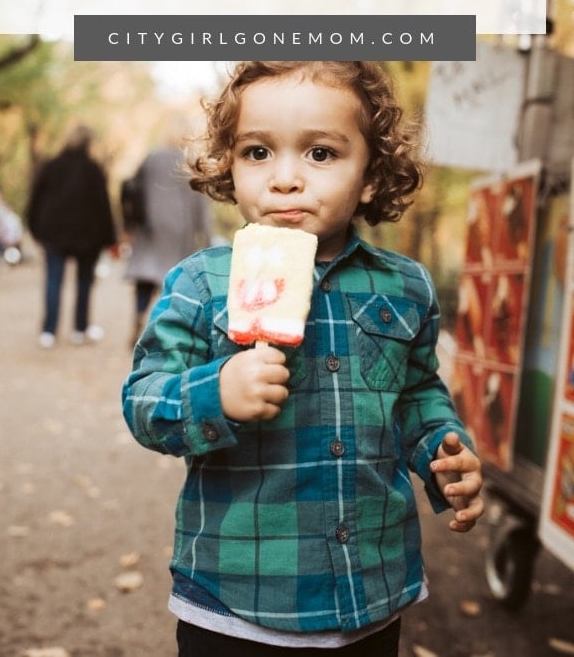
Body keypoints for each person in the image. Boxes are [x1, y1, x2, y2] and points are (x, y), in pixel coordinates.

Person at [122, 62, 484, 657]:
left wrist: (442, 449)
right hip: (236, 603)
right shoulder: (201, 282)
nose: (285, 178)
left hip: (371, 592)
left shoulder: (405, 287)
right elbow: (142, 401)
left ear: (370, 175)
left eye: (320, 154)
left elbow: (417, 392)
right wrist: (218, 390)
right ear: (228, 168)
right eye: (258, 152)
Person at [26, 124, 117, 349]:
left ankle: (48, 331)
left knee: (53, 280)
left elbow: (34, 201)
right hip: (87, 237)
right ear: (89, 143)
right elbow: (103, 206)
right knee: (84, 282)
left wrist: (35, 229)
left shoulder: (51, 166)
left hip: (53, 234)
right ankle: (79, 329)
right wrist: (109, 237)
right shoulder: (93, 169)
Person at [123, 128, 212, 346]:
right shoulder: (191, 163)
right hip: (180, 229)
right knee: (172, 279)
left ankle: (140, 314)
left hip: (150, 227)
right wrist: (206, 237)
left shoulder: (151, 158)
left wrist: (131, 223)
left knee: (146, 276)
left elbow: (133, 187)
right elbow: (201, 203)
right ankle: (163, 328)